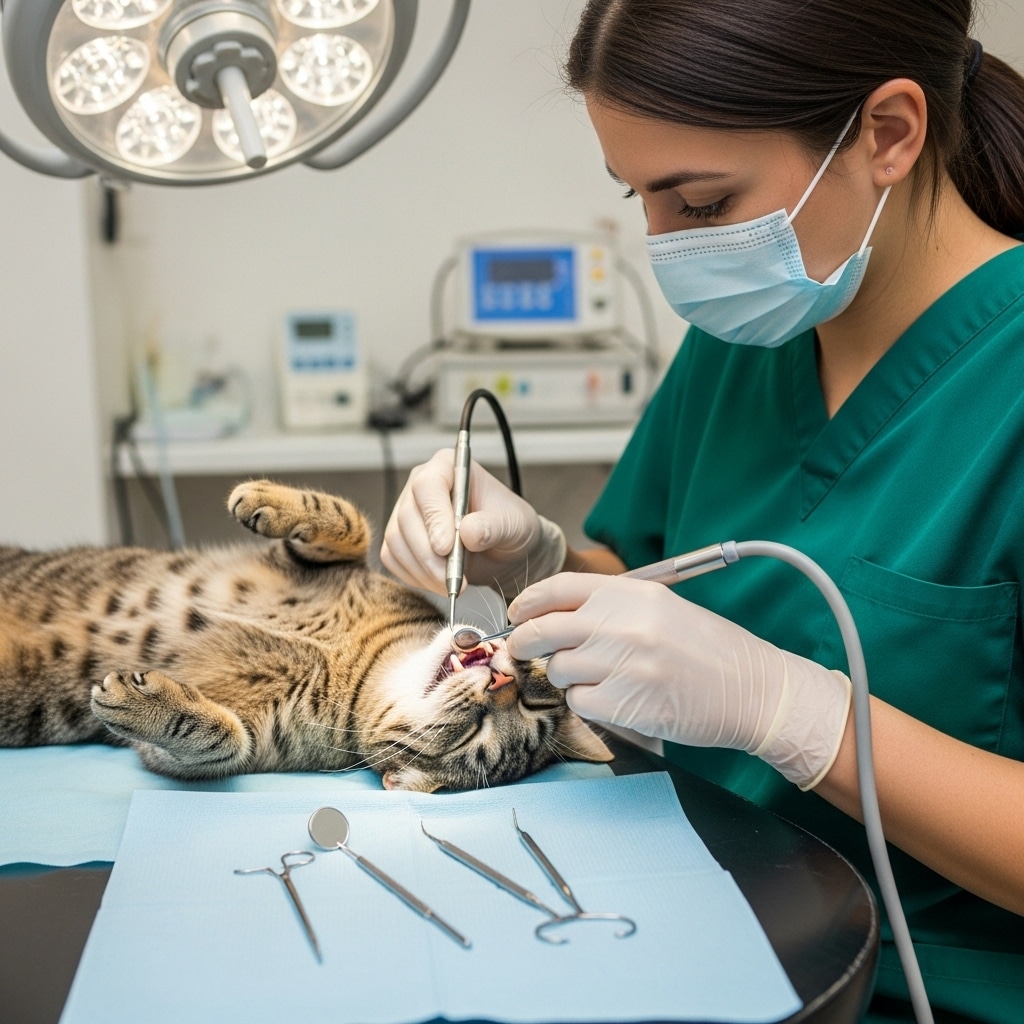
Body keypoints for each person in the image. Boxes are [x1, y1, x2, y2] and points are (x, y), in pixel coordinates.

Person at [381, 1, 1024, 1020]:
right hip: (684, 918)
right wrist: (533, 562)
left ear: (888, 133)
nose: (662, 246)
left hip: (919, 985)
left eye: (700, 202)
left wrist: (799, 716)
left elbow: (742, 676)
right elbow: (653, 600)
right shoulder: (754, 331)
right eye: (638, 197)